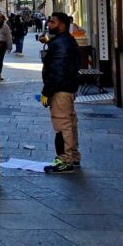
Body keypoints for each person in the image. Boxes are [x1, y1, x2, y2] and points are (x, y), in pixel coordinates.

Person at [40, 12, 82, 173]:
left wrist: (47, 91)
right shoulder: (66, 41)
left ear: (62, 25)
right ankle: (74, 156)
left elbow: (57, 70)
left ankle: (65, 160)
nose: (49, 24)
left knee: (62, 123)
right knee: (70, 123)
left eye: (52, 22)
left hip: (60, 89)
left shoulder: (61, 44)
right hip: (68, 87)